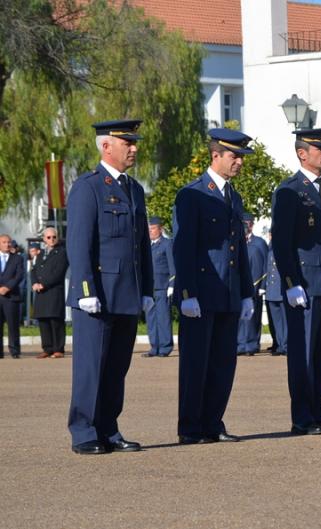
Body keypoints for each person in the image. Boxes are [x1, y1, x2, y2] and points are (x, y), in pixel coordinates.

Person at [66, 119, 154, 454]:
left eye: (134, 143)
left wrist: (146, 286)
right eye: (127, 143)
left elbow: (141, 244)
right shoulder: (87, 188)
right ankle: (83, 431)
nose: (134, 148)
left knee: (117, 368)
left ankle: (108, 428)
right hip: (98, 294)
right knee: (91, 366)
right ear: (106, 146)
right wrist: (86, 290)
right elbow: (79, 244)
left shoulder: (134, 189)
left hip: (126, 293)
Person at [173, 128, 255, 445]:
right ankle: (190, 427)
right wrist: (186, 293)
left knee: (223, 363)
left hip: (229, 292)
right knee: (196, 363)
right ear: (215, 155)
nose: (239, 163)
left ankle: (212, 422)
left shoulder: (233, 196)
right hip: (202, 293)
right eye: (234, 156)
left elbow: (240, 249)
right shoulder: (193, 194)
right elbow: (184, 248)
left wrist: (246, 291)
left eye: (241, 157)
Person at [270, 127, 321, 435]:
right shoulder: (289, 190)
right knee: (303, 354)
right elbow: (282, 241)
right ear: (302, 153)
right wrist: (291, 282)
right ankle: (302, 416)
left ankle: (319, 410)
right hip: (304, 282)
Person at [31, 227, 69, 359]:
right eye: (48, 237)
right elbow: (34, 270)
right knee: (43, 320)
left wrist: (44, 284)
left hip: (53, 291)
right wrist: (34, 283)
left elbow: (59, 273)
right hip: (41, 293)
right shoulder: (41, 254)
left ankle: (58, 349)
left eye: (54, 237)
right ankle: (47, 348)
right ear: (44, 239)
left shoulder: (62, 252)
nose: (51, 239)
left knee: (55, 320)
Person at [237, 213, 268, 356]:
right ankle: (240, 344)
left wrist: (262, 285)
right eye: (243, 223)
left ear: (252, 225)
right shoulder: (237, 243)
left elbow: (265, 266)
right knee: (239, 318)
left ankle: (251, 344)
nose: (245, 226)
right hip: (239, 287)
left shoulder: (259, 243)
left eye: (248, 224)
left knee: (252, 319)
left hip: (255, 286)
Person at [143, 216, 175, 358]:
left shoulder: (167, 244)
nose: (150, 231)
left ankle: (165, 347)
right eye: (149, 229)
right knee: (151, 319)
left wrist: (172, 284)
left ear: (160, 229)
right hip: (150, 288)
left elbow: (173, 266)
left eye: (153, 228)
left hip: (163, 287)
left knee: (163, 318)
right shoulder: (147, 246)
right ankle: (154, 347)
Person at [0, 234, 24, 359]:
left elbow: (19, 275)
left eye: (9, 242)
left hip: (11, 296)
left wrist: (7, 287)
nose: (7, 244)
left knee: (13, 325)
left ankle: (14, 350)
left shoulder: (17, 259)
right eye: (4, 242)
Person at [264, 232, 288, 356]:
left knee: (285, 320)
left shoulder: (285, 248)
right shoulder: (270, 249)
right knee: (277, 321)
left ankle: (286, 344)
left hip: (281, 288)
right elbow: (267, 269)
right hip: (272, 289)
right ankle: (280, 344)